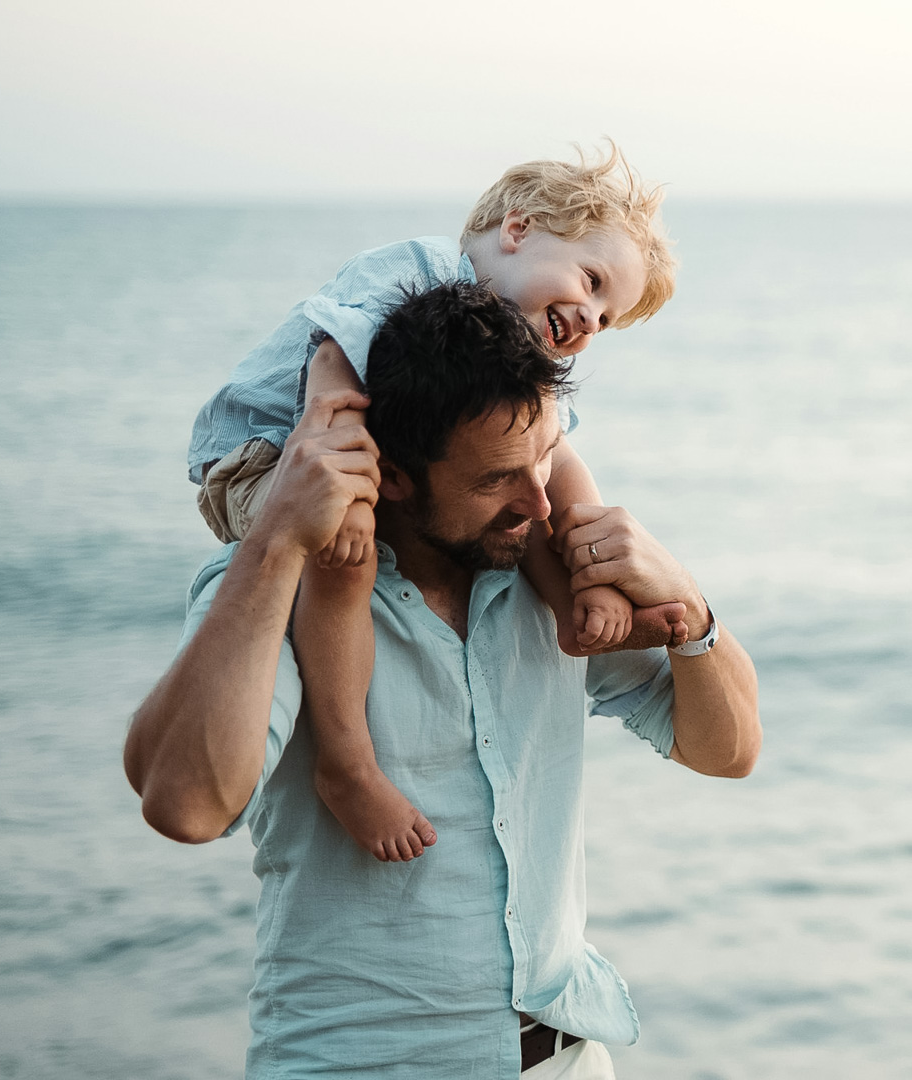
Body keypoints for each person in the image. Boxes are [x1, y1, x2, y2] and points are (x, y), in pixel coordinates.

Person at [125, 282, 761, 1078]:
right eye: (497, 480)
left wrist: (692, 611)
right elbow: (184, 805)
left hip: (566, 1059)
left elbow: (727, 751)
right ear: (392, 475)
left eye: (545, 459)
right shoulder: (274, 587)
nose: (538, 503)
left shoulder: (544, 572)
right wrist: (276, 541)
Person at [189, 145, 675, 862]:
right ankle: (347, 763)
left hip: (366, 445)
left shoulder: (509, 350)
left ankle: (580, 602)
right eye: (591, 281)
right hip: (265, 451)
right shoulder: (418, 267)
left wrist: (591, 559)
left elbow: (551, 453)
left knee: (553, 453)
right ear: (518, 229)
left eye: (606, 317)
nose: (589, 319)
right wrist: (333, 478)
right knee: (345, 548)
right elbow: (332, 362)